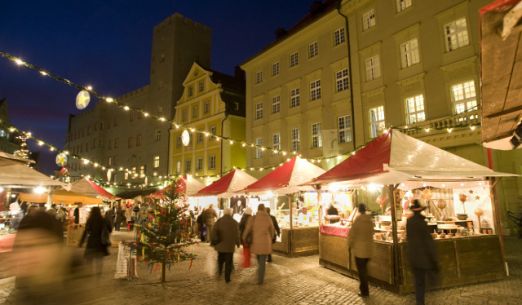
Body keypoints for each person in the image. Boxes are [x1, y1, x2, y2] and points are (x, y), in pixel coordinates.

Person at [407, 199, 439, 305]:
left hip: (413, 256)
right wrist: (433, 258)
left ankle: (419, 301)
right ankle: (420, 302)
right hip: (423, 257)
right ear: (420, 211)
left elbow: (409, 239)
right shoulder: (422, 222)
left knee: (418, 281)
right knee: (421, 282)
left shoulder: (409, 222)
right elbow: (428, 241)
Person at [242, 204, 275, 284]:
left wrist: (244, 237)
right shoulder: (268, 218)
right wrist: (271, 237)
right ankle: (261, 278)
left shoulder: (253, 218)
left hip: (256, 242)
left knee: (259, 259)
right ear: (264, 209)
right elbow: (272, 229)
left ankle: (260, 274)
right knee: (262, 261)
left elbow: (248, 229)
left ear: (257, 209)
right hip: (265, 243)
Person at [348, 203, 374, 298]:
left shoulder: (357, 220)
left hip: (360, 251)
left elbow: (352, 234)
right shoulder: (370, 220)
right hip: (368, 250)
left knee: (362, 271)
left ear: (359, 210)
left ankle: (365, 291)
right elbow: (372, 232)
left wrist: (349, 245)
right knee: (364, 270)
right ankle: (363, 289)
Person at [79, 207, 112, 278]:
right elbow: (110, 229)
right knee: (99, 260)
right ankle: (98, 275)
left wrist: (81, 242)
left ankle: (89, 273)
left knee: (89, 259)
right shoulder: (103, 220)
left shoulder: (90, 220)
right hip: (101, 243)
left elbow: (86, 231)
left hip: (91, 242)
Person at [211, 208, 240, 283]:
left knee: (220, 260)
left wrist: (214, 241)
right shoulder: (234, 222)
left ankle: (219, 272)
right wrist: (238, 243)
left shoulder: (219, 221)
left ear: (224, 213)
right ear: (231, 213)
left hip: (220, 245)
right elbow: (237, 234)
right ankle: (227, 278)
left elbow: (214, 231)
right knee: (228, 262)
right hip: (230, 246)